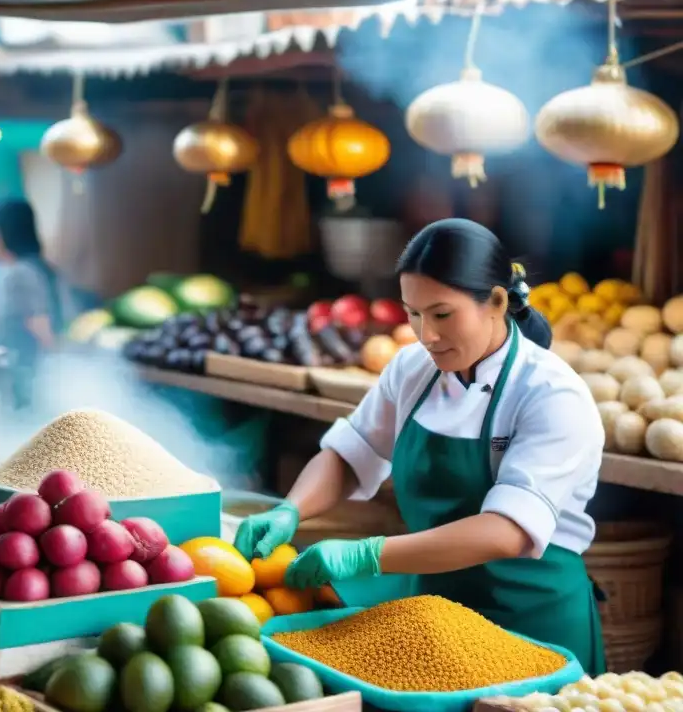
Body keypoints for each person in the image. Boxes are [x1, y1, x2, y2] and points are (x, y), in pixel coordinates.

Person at [234, 218, 606, 674]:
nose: (425, 334)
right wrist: (289, 509)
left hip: (533, 627)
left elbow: (507, 531)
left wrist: (366, 554)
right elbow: (351, 455)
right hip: (432, 625)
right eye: (412, 313)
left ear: (496, 302)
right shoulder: (413, 368)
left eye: (442, 314)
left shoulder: (551, 394)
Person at [0, 198, 64, 409]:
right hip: (26, 374)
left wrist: (55, 373)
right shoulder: (35, 267)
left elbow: (40, 326)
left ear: (6, 234)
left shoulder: (21, 273)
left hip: (23, 376)